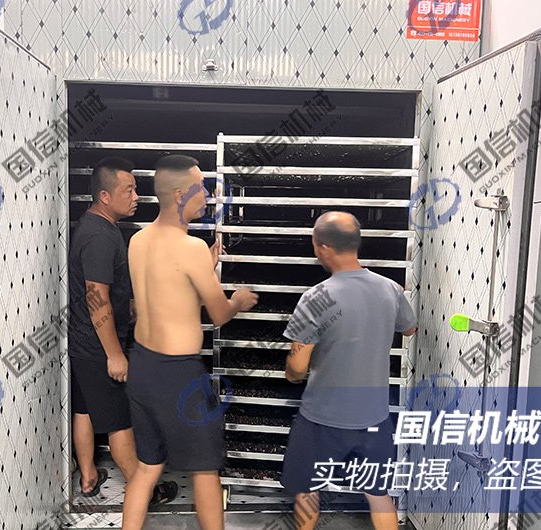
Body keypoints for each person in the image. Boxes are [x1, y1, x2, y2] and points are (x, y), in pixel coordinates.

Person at [123, 155, 258, 530]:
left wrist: (204, 269)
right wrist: (238, 300)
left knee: (147, 468)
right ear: (181, 195)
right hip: (178, 375)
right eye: (202, 188)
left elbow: (169, 296)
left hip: (142, 366)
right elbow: (219, 314)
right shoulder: (191, 248)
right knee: (205, 469)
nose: (208, 195)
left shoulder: (138, 241)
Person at [280, 211, 417, 530]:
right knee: (378, 494)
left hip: (322, 417)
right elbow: (409, 329)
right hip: (374, 416)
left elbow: (297, 367)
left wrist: (292, 374)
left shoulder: (316, 298)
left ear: (323, 247)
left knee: (308, 491)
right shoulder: (389, 289)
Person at [68, 156, 177, 505]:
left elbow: (102, 291)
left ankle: (88, 476)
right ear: (105, 196)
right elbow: (96, 296)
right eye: (128, 190)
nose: (136, 196)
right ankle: (147, 491)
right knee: (119, 423)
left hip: (83, 343)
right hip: (99, 348)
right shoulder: (100, 236)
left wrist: (125, 305)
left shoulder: (95, 225)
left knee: (84, 409)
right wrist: (115, 354)